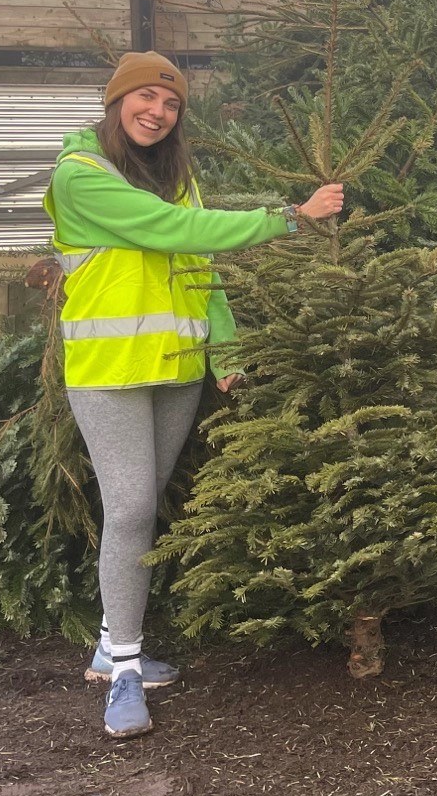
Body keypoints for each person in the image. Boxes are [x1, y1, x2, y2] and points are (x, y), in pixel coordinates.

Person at [44, 51, 344, 738]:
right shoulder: (81, 175)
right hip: (110, 371)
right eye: (145, 97)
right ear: (117, 101)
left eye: (172, 103)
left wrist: (227, 347)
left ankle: (111, 642)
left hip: (176, 366)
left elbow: (196, 264)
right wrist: (289, 218)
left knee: (144, 508)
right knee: (130, 509)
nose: (158, 111)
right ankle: (122, 673)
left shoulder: (177, 174)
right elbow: (172, 230)